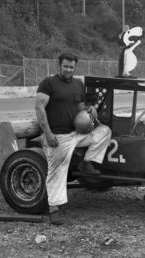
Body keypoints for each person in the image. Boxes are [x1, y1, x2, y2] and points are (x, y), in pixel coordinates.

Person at [35, 53, 112, 225]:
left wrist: (90, 108)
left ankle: (88, 161)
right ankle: (54, 208)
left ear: (75, 67)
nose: (68, 69)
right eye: (65, 66)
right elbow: (39, 108)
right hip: (58, 136)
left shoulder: (78, 84)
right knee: (57, 172)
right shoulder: (49, 83)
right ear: (59, 66)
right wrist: (48, 134)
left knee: (104, 131)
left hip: (76, 134)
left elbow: (79, 105)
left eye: (71, 67)